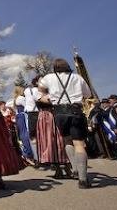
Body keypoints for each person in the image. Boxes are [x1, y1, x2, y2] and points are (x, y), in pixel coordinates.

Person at [38, 58, 92, 188]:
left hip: (59, 112)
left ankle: (75, 169)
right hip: (75, 110)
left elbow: (40, 91)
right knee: (79, 143)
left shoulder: (49, 77)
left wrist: (51, 96)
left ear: (54, 67)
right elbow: (88, 94)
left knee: (67, 141)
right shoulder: (77, 77)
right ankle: (83, 179)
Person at [13, 86, 35, 164]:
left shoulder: (16, 99)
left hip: (19, 117)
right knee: (26, 134)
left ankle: (28, 154)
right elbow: (28, 106)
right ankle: (28, 154)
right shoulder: (21, 98)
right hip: (23, 117)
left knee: (23, 134)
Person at [24, 76, 40, 161]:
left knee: (33, 136)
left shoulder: (27, 90)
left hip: (30, 113)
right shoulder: (36, 90)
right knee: (39, 135)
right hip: (38, 113)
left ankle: (37, 158)